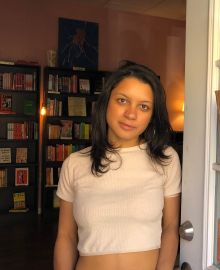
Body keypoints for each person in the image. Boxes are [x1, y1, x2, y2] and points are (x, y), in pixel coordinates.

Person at [54, 63, 181, 270]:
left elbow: (170, 228)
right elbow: (65, 236)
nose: (131, 114)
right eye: (122, 101)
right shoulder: (75, 164)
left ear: (151, 116)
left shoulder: (166, 159)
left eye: (144, 106)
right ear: (106, 103)